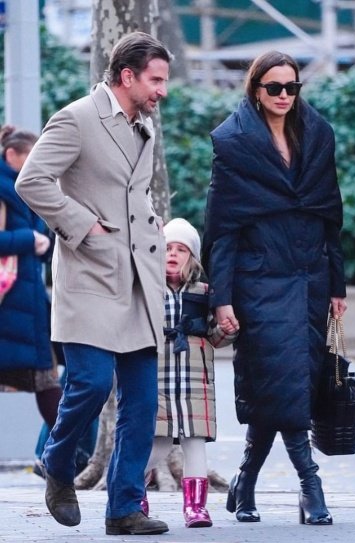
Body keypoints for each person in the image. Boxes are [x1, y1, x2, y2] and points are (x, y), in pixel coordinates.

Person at [15, 32, 172, 536]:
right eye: (156, 80)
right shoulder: (77, 118)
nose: (162, 91)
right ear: (127, 76)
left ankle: (125, 508)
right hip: (89, 273)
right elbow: (31, 180)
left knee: (143, 404)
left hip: (139, 282)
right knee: (91, 384)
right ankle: (57, 464)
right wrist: (84, 226)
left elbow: (136, 199)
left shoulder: (144, 126)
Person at [202, 50, 347, 526]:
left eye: (292, 87)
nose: (284, 95)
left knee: (284, 384)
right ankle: (311, 484)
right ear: (256, 90)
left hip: (310, 279)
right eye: (274, 88)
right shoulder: (233, 142)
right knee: (284, 380)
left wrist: (338, 285)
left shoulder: (318, 134)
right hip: (259, 282)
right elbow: (221, 230)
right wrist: (221, 298)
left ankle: (245, 481)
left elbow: (332, 215)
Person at [142, 217, 237, 528]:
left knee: (194, 444)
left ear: (192, 258)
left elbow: (214, 336)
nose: (172, 254)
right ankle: (133, 496)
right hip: (158, 378)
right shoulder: (148, 289)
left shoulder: (205, 292)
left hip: (195, 382)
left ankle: (195, 507)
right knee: (157, 443)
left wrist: (227, 331)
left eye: (181, 249)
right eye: (167, 248)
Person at [0, 126, 62, 445]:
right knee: (47, 384)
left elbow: (45, 236)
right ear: (12, 155)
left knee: (48, 383)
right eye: (31, 156)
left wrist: (45, 243)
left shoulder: (28, 187)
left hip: (26, 301)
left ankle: (62, 458)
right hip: (9, 301)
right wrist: (28, 239)